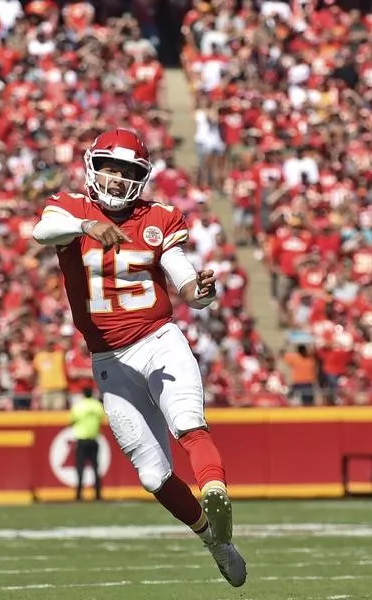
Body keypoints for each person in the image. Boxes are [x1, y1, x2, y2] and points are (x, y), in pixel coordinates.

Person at [32, 128, 246, 587]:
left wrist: (198, 292)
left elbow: (181, 273)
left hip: (158, 337)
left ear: (141, 178)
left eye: (126, 171)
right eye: (109, 167)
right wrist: (86, 225)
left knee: (188, 421)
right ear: (92, 166)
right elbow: (41, 231)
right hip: (109, 356)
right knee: (153, 475)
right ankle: (215, 540)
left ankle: (215, 489)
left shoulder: (158, 217)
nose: (115, 178)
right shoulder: (71, 209)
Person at [70, 389, 106, 501]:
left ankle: (79, 494)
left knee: (80, 468)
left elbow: (72, 420)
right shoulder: (97, 406)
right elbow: (101, 419)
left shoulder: (78, 406)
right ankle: (98, 494)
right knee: (95, 467)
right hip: (93, 439)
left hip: (81, 440)